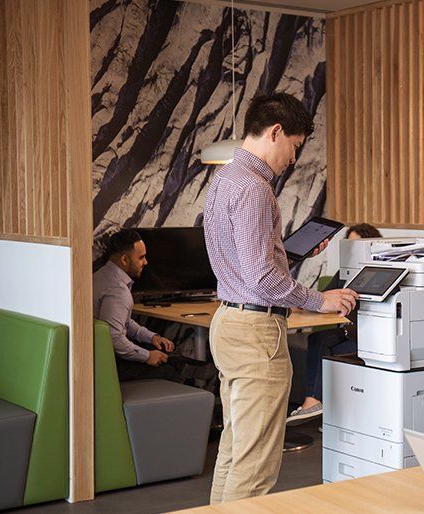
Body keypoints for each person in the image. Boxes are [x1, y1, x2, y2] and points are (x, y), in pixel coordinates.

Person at [203, 92, 359, 503]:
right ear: (276, 132)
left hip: (228, 322)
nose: (293, 157)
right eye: (295, 145)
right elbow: (259, 276)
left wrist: (288, 253)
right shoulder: (255, 189)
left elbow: (245, 260)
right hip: (255, 331)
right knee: (255, 468)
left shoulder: (224, 178)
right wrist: (319, 300)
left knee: (236, 451)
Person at [287, 223, 383, 425]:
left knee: (322, 342)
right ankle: (313, 403)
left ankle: (314, 403)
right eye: (348, 245)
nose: (351, 251)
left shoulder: (379, 272)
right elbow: (324, 300)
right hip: (349, 331)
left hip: (371, 337)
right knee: (318, 338)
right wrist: (301, 304)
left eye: (356, 245)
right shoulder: (345, 272)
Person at [93, 229, 184, 382]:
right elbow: (114, 338)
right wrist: (148, 356)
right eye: (141, 257)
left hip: (99, 356)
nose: (146, 262)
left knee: (164, 354)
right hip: (108, 364)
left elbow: (124, 322)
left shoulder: (101, 276)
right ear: (124, 260)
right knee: (170, 371)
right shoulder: (117, 290)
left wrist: (151, 337)